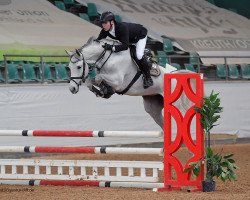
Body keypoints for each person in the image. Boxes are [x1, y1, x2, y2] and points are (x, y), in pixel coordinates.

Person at [97, 11, 153, 89]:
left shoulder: (121, 27)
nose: (103, 25)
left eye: (105, 23)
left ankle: (148, 78)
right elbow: (97, 41)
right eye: (102, 23)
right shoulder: (105, 30)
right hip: (129, 39)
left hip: (139, 36)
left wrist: (111, 48)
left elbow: (125, 46)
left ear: (112, 22)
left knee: (139, 56)